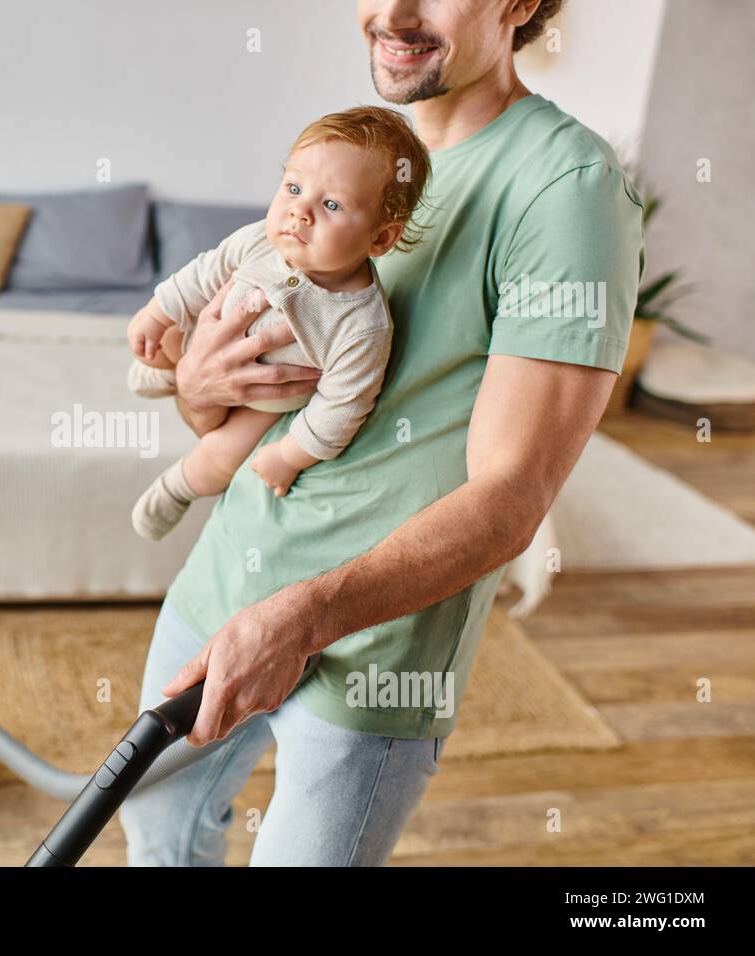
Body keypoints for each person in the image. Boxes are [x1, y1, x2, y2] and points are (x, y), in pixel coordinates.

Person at [120, 0, 645, 866]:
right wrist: (196, 387)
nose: (393, 13)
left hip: (372, 654)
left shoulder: (567, 189)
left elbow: (511, 498)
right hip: (224, 577)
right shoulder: (362, 161)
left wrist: (302, 620)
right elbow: (244, 410)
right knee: (161, 836)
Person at [126, 107, 430, 542]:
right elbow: (204, 273)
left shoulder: (361, 324)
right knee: (171, 332)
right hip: (203, 341)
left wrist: (290, 455)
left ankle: (174, 488)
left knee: (225, 455)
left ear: (380, 238)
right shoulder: (257, 242)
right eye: (292, 188)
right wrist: (158, 312)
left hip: (264, 404)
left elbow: (343, 405)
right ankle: (164, 369)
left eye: (331, 204)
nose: (298, 212)